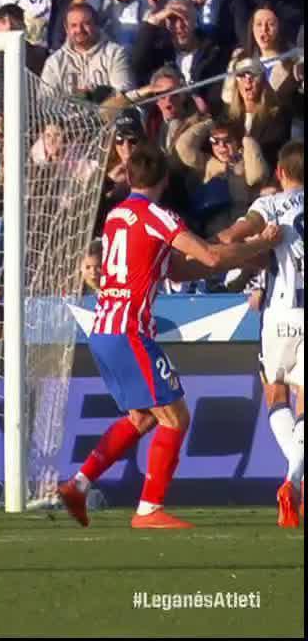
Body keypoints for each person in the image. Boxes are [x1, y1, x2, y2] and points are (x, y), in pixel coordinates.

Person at [56, 146, 282, 530]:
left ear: (129, 178)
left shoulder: (116, 216)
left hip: (104, 328)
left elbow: (175, 270)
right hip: (129, 329)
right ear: (165, 180)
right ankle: (149, 509)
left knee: (142, 417)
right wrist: (262, 244)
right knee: (176, 416)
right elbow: (209, 256)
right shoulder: (158, 215)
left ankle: (78, 484)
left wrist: (237, 255)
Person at [214, 142, 304, 528]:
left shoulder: (268, 206)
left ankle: (292, 478)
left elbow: (227, 239)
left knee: (276, 392)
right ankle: (294, 478)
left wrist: (260, 247)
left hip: (279, 316)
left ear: (281, 173)